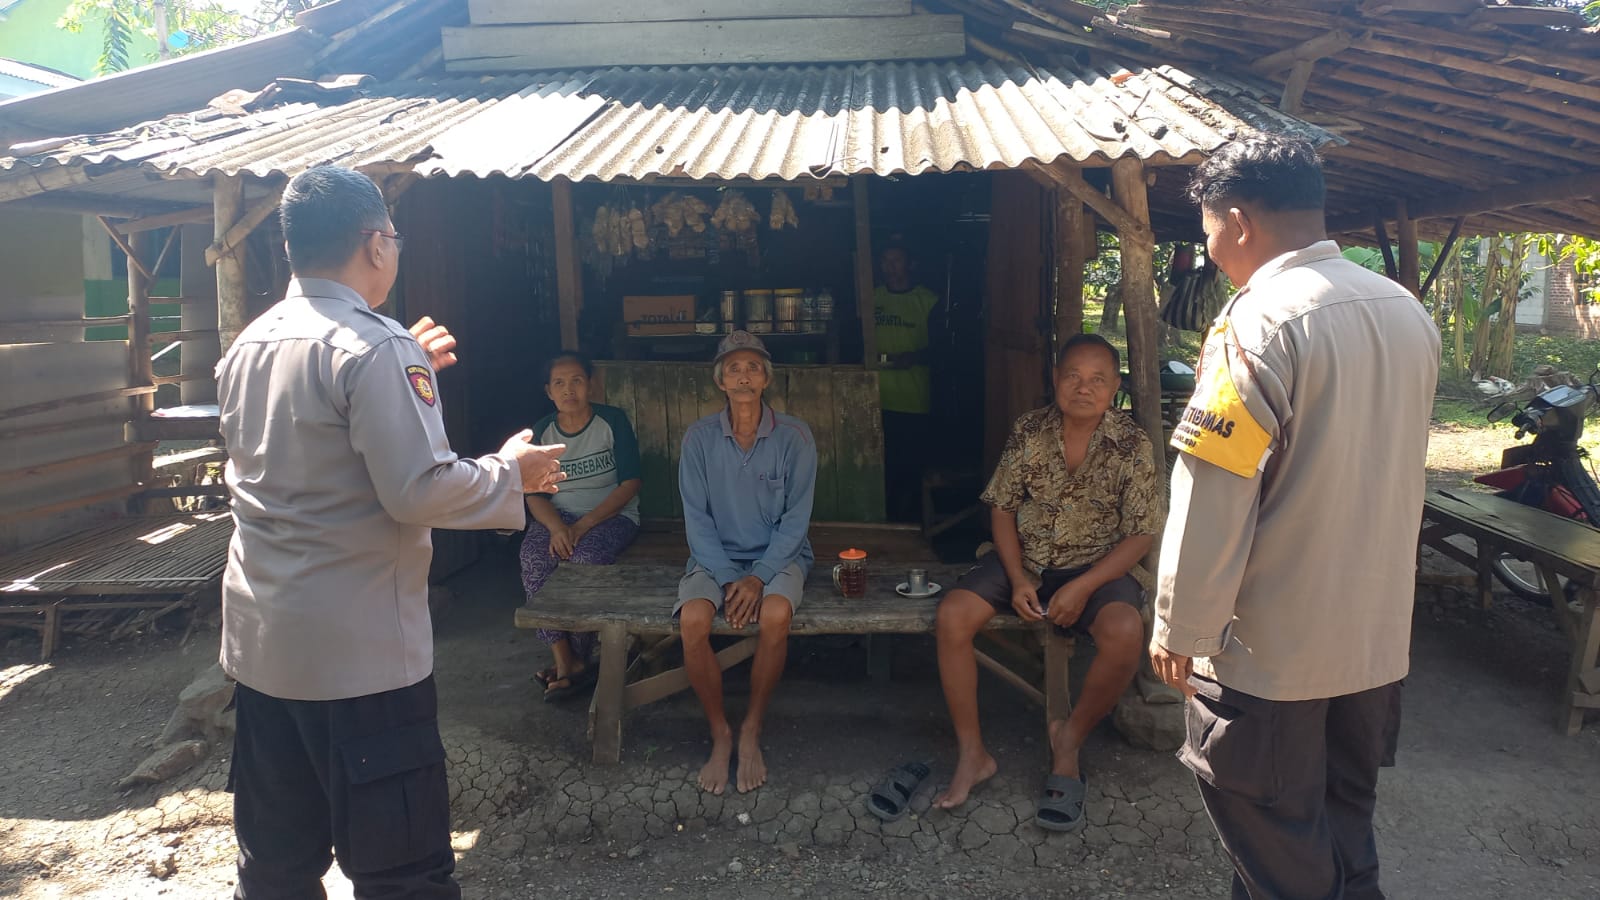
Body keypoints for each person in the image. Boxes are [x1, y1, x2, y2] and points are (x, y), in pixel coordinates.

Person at [215, 165, 567, 900]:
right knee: (402, 874)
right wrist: (513, 471)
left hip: (264, 651)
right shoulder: (375, 348)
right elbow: (418, 491)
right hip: (360, 661)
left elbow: (307, 450)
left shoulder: (252, 341)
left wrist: (405, 362)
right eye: (395, 239)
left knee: (276, 866)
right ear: (375, 245)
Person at [1149, 133, 1439, 900]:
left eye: (1209, 230)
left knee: (1279, 845)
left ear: (1238, 221)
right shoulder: (1403, 310)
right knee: (1343, 826)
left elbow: (1215, 490)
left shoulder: (1260, 324)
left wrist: (1182, 628)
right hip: (1374, 643)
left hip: (1272, 652)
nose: (1210, 250)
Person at [933, 333, 1161, 831]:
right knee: (952, 615)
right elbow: (1002, 507)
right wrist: (1016, 579)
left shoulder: (1133, 443)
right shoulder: (1030, 429)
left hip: (1098, 566)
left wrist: (1082, 587)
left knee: (1125, 632)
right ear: (1055, 380)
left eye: (1098, 379)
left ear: (1115, 386)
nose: (1084, 388)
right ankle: (972, 754)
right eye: (1073, 376)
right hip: (1027, 559)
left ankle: (1069, 740)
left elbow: (1141, 533)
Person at [676, 330, 817, 796]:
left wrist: (757, 577)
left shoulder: (794, 436)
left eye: (753, 367)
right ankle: (721, 732)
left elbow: (796, 522)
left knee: (776, 614)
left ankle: (752, 727)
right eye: (733, 368)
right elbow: (697, 521)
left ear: (766, 379)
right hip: (716, 558)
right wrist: (731, 577)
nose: (743, 376)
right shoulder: (698, 439)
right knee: (694, 620)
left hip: (778, 556)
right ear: (720, 381)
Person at [521, 352, 642, 701]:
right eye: (559, 383)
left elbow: (631, 482)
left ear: (591, 385)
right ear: (548, 391)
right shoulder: (543, 430)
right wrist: (559, 528)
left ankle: (578, 660)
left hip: (611, 517)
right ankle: (564, 659)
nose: (568, 389)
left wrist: (583, 525)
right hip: (559, 518)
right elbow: (534, 493)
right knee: (534, 558)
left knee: (586, 559)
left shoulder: (612, 421)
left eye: (576, 380)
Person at [873, 245, 940, 522]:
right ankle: (882, 518)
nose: (891, 267)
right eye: (886, 260)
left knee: (909, 467)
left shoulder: (928, 301)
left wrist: (914, 357)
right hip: (875, 398)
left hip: (913, 399)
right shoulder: (871, 298)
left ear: (909, 264)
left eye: (896, 260)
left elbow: (942, 349)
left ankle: (909, 523)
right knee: (880, 466)